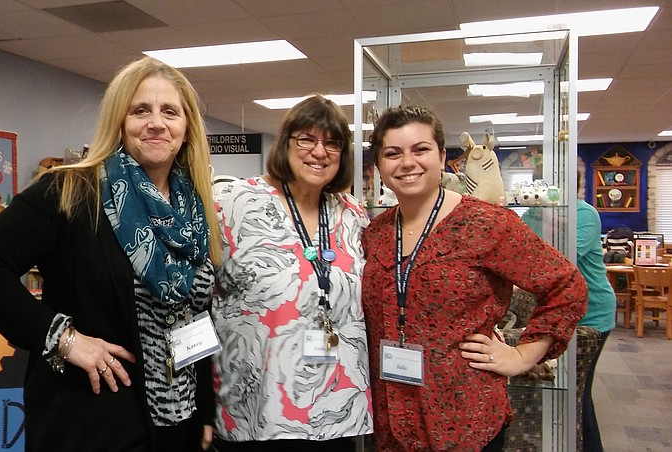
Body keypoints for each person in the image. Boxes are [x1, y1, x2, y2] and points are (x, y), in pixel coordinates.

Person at [0, 57, 221, 451]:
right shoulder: (72, 191)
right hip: (97, 424)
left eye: (170, 112)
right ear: (119, 121)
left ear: (186, 128)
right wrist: (64, 338)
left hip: (179, 419)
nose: (156, 123)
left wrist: (205, 410)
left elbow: (197, 314)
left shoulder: (193, 207)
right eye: (140, 110)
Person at [361, 105, 588, 451]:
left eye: (420, 149)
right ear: (379, 165)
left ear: (442, 157)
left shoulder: (487, 224)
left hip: (464, 417)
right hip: (392, 417)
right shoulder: (375, 232)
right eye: (393, 153)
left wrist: (524, 355)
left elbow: (566, 285)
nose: (407, 163)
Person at [211, 95, 373, 451]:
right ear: (285, 142)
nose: (320, 151)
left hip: (337, 411)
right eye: (306, 139)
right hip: (255, 409)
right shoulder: (234, 202)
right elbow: (197, 299)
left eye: (332, 143)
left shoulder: (352, 214)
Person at [575, 170, 616, 452]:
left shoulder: (586, 214)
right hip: (563, 313)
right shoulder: (533, 214)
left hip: (594, 313)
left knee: (578, 391)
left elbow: (563, 256)